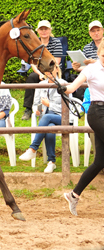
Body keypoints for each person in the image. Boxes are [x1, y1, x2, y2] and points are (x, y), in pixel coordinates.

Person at [62, 38, 104, 216]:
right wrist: (61, 87)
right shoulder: (92, 69)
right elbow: (72, 88)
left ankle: (74, 194)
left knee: (100, 161)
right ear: (98, 53)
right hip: (97, 112)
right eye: (103, 54)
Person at [19, 64, 66, 173]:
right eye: (46, 70)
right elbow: (35, 103)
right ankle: (51, 162)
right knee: (49, 128)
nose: (48, 72)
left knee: (47, 117)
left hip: (61, 117)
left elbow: (68, 107)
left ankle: (33, 148)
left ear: (57, 69)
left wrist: (50, 105)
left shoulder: (63, 83)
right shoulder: (41, 84)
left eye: (51, 69)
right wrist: (36, 109)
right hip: (46, 120)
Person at [21, 20, 63, 120]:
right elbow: (32, 62)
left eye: (46, 29)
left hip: (53, 71)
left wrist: (47, 73)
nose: (44, 31)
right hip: (39, 71)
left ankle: (55, 108)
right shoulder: (35, 42)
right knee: (32, 77)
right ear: (37, 31)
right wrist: (40, 74)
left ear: (50, 30)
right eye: (41, 29)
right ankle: (28, 109)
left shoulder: (56, 42)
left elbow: (56, 62)